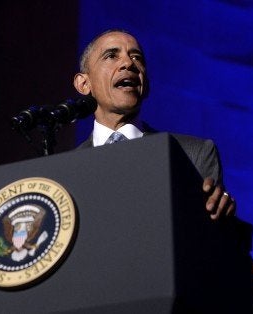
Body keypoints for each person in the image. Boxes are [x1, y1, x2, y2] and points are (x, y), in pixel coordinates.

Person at [73, 29, 235, 220]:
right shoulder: (70, 168)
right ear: (84, 84)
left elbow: (210, 239)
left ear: (146, 85)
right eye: (111, 56)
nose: (128, 63)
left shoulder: (194, 154)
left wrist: (224, 220)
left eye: (136, 57)